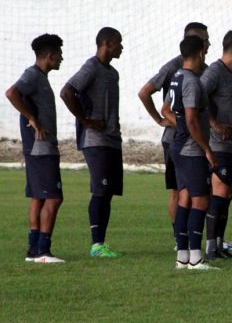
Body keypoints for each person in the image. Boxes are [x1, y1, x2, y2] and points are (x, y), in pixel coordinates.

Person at [137, 22, 209, 247]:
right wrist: (164, 122)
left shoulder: (202, 69)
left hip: (191, 138)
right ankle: (181, 240)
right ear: (195, 43)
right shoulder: (175, 69)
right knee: (180, 191)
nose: (209, 44)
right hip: (179, 141)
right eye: (205, 40)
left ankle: (190, 240)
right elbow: (145, 92)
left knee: (191, 192)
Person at [60, 27, 124, 258]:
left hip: (111, 139)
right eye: (118, 43)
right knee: (100, 189)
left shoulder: (113, 73)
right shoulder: (91, 67)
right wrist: (85, 120)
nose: (122, 47)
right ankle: (96, 245)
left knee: (107, 192)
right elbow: (66, 91)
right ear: (106, 44)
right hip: (95, 140)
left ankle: (101, 243)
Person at [5, 34, 65, 263]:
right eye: (59, 53)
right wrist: (32, 118)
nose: (62, 58)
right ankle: (43, 251)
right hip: (42, 148)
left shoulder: (40, 77)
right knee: (53, 198)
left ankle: (33, 250)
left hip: (37, 148)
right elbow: (11, 93)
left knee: (39, 198)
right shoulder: (32, 75)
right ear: (50, 56)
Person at [161, 35, 219, 271]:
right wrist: (207, 149)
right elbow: (193, 119)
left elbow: (166, 109)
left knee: (184, 199)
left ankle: (182, 256)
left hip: (177, 146)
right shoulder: (193, 82)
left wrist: (181, 126)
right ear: (200, 54)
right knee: (201, 201)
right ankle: (196, 258)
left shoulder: (176, 78)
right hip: (191, 150)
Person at [201, 30, 232, 260]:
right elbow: (198, 97)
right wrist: (214, 124)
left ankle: (219, 244)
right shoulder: (215, 72)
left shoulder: (231, 74)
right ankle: (210, 247)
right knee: (219, 193)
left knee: (227, 195)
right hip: (218, 146)